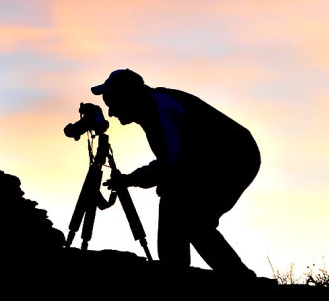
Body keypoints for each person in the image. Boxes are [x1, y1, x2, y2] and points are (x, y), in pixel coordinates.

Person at [93, 69, 260, 277]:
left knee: (193, 219)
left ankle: (237, 279)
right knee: (177, 203)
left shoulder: (161, 108)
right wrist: (133, 179)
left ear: (128, 96)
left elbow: (172, 164)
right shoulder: (151, 108)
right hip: (212, 160)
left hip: (234, 158)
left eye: (112, 102)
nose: (110, 113)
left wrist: (131, 179)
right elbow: (175, 164)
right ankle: (176, 270)